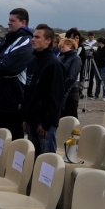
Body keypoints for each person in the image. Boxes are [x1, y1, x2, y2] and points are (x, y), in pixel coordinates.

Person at [0, 8, 33, 139]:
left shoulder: (26, 40)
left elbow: (8, 65)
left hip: (11, 101)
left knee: (11, 140)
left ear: (23, 22)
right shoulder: (9, 39)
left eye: (12, 20)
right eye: (9, 20)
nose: (9, 23)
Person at [22, 24, 65, 156]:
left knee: (46, 162)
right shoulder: (32, 61)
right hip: (31, 121)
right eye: (32, 36)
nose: (32, 39)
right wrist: (25, 118)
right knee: (33, 160)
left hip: (44, 124)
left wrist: (46, 124)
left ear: (48, 40)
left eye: (37, 37)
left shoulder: (54, 64)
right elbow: (28, 92)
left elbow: (55, 98)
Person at [58, 37, 82, 118]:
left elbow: (72, 77)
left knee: (71, 116)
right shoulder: (62, 57)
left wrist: (61, 86)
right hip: (62, 90)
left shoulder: (76, 58)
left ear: (70, 46)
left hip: (71, 91)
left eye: (63, 46)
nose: (61, 48)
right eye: (60, 47)